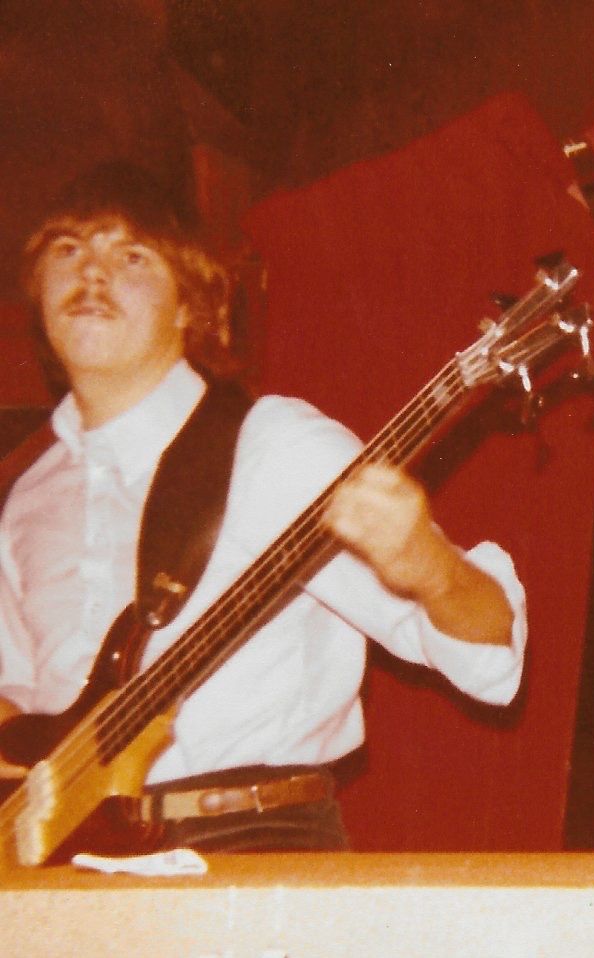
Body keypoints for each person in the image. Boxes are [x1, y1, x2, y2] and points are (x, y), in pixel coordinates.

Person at [0, 161, 526, 856]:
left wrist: (428, 566)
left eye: (132, 256)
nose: (92, 272)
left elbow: (490, 660)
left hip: (247, 843)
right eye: (68, 250)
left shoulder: (272, 446)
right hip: (67, 866)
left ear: (190, 306)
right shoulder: (29, 497)